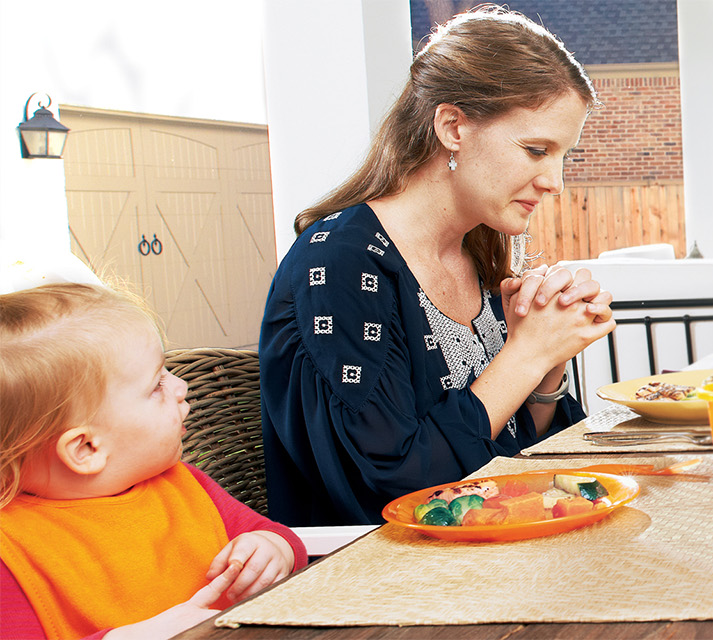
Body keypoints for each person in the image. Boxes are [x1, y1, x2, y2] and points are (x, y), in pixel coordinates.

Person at [259, 7, 615, 526]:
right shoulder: (337, 263)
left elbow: (524, 454)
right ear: (452, 126)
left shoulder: (478, 251)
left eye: (564, 156)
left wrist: (547, 358)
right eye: (536, 150)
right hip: (390, 585)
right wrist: (525, 353)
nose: (554, 182)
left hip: (508, 557)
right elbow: (403, 490)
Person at [0, 283, 308, 639]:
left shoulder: (183, 484)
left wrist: (275, 550)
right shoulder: (12, 552)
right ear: (85, 448)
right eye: (156, 385)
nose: (181, 387)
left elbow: (274, 535)